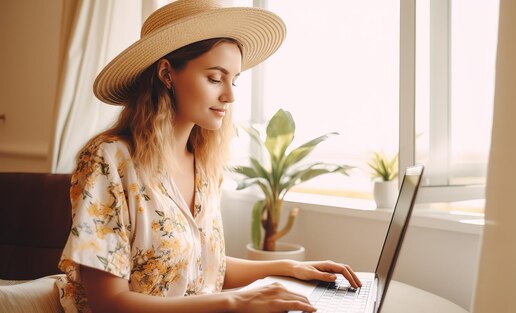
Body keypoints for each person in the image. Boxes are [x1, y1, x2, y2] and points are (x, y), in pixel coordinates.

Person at [56, 1, 361, 312]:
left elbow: (199, 266)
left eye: (234, 80)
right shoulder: (108, 160)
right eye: (216, 78)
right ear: (166, 74)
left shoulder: (204, 164)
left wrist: (288, 268)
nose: (230, 95)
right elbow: (109, 302)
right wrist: (235, 302)